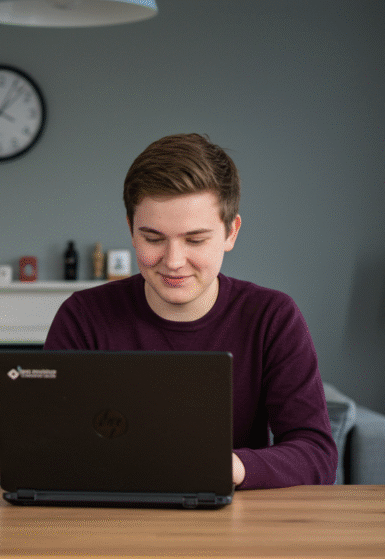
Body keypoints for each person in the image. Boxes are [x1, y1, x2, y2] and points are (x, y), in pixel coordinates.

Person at [44, 133, 336, 489]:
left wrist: (228, 467)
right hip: (112, 521)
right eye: (153, 238)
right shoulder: (82, 316)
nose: (173, 261)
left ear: (231, 233)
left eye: (195, 240)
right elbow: (52, 449)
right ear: (131, 232)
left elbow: (316, 454)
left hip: (235, 526)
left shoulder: (272, 317)